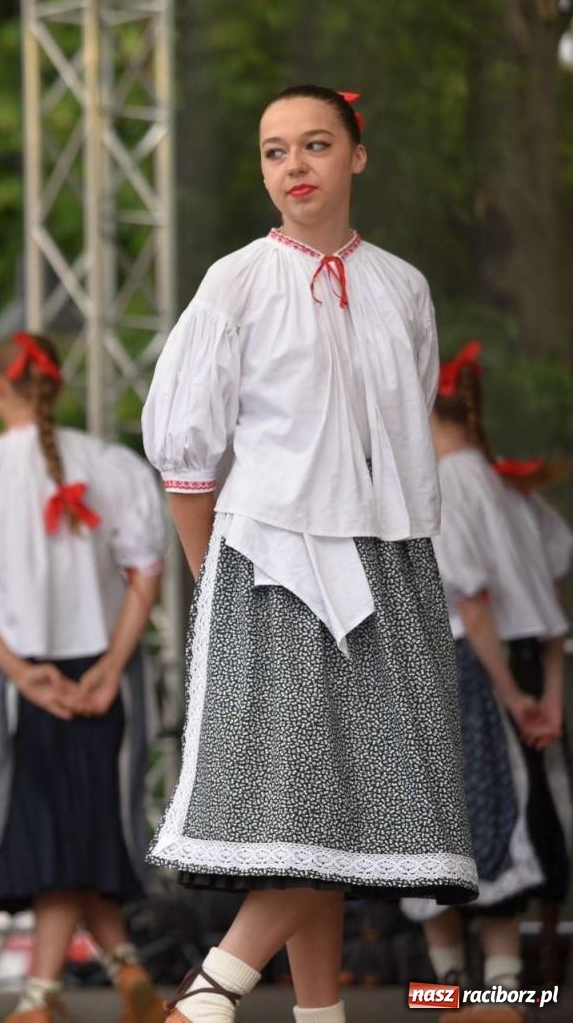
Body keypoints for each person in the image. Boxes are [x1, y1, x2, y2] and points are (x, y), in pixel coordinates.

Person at [141, 86, 477, 1023]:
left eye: (316, 146)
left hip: (389, 558)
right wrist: (219, 580)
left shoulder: (403, 287)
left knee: (350, 810)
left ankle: (313, 1013)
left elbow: (403, 430)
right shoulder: (237, 281)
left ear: (356, 157)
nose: (294, 167)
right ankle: (212, 992)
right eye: (275, 151)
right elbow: (185, 452)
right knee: (305, 813)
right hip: (272, 564)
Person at [0, 333, 165, 1023]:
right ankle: (123, 970)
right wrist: (114, 668)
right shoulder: (114, 466)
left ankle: (41, 994)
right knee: (80, 828)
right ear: (56, 390)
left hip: (16, 675)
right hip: (100, 669)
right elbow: (146, 573)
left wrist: (22, 675)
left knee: (55, 833)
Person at [403, 342, 572, 1017]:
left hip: (472, 676)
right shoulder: (510, 487)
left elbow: (472, 607)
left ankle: (456, 997)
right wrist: (546, 699)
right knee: (514, 827)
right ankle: (506, 989)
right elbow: (550, 603)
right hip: (528, 673)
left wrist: (508, 695)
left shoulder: (439, 490)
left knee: (451, 833)